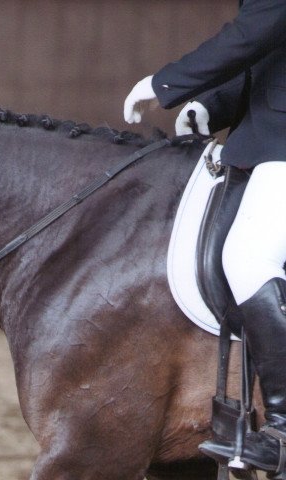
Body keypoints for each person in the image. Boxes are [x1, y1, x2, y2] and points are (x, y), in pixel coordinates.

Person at [123, 1, 286, 476]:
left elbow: (256, 31)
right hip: (267, 139)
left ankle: (284, 425)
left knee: (248, 259)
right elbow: (271, 52)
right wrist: (210, 105)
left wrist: (167, 83)